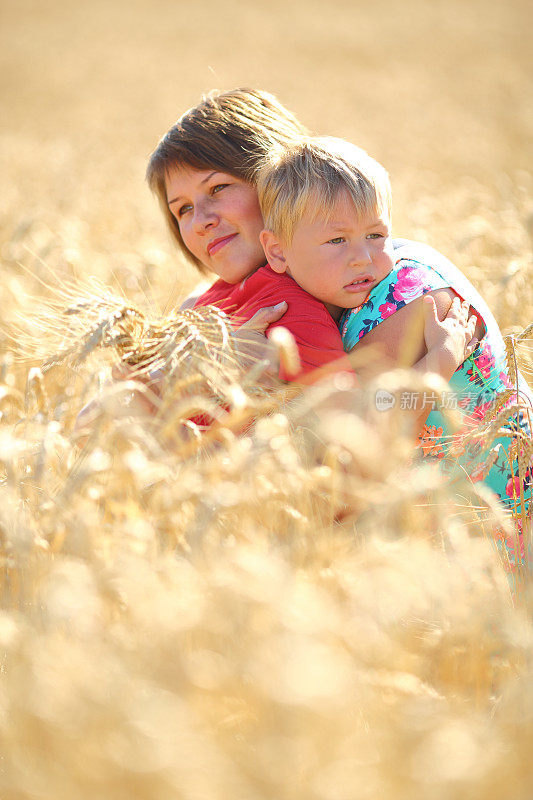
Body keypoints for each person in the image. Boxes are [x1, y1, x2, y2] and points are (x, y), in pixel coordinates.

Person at [255, 134, 532, 567]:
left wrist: (439, 360)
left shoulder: (403, 302)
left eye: (375, 233)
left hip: (489, 518)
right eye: (336, 241)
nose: (362, 257)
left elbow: (380, 415)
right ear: (277, 250)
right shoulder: (361, 293)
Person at [146, 88, 474, 388]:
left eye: (218, 188)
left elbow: (365, 431)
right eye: (183, 209)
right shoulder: (214, 307)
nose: (201, 221)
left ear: (279, 179)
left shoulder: (402, 295)